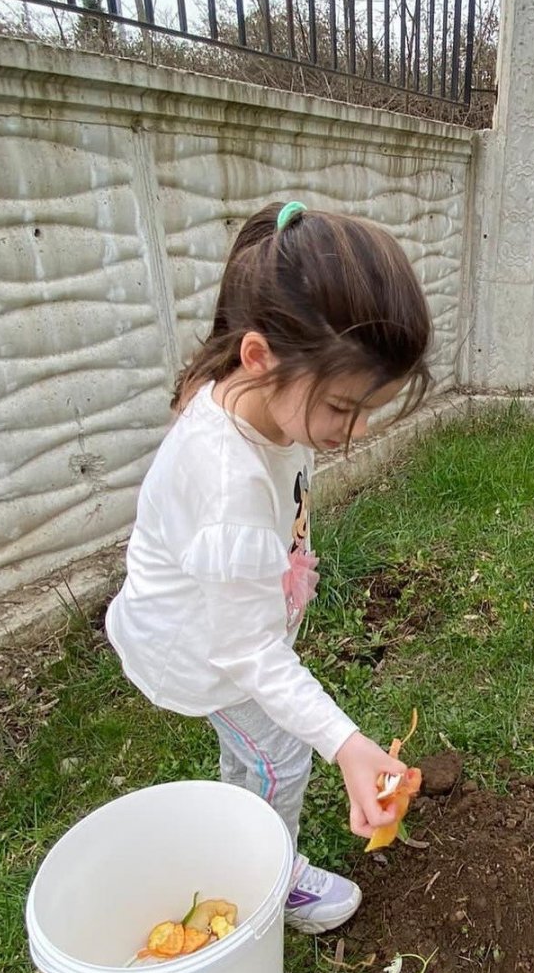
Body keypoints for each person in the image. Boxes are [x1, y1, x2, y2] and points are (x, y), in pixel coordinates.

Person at [106, 200, 433, 933]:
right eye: (345, 408)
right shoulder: (227, 486)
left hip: (229, 622)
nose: (357, 430)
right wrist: (347, 743)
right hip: (206, 650)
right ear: (259, 355)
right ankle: (262, 877)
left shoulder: (259, 393)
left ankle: (256, 857)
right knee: (276, 757)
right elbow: (247, 651)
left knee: (275, 745)